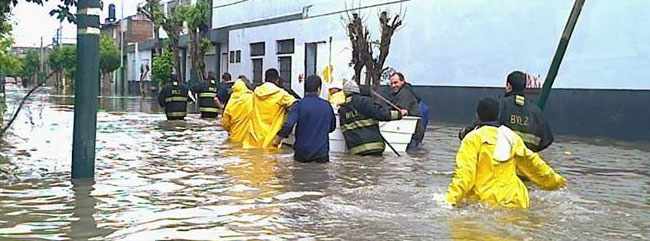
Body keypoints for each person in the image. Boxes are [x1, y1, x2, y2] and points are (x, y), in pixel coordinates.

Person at [445, 97, 566, 208]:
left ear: (477, 116)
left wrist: (449, 200)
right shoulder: (510, 136)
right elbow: (533, 164)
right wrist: (556, 182)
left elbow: (465, 175)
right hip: (516, 199)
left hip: (487, 202)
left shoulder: (472, 139)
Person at [459, 71, 553, 152]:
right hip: (526, 165)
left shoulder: (499, 106)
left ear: (508, 86)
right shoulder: (536, 112)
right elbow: (547, 139)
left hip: (501, 164)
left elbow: (479, 126)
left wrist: (463, 133)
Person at [273, 75, 336, 162]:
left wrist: (277, 140)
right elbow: (332, 127)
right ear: (319, 89)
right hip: (321, 154)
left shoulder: (298, 105)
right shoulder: (327, 105)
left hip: (302, 154)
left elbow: (288, 125)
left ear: (305, 89)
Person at [338, 80, 407, 155]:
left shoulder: (342, 109)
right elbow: (381, 114)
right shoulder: (364, 101)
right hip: (373, 146)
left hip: (355, 150)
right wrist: (399, 114)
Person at [242, 68, 297, 148]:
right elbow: (296, 104)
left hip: (253, 138)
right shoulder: (281, 94)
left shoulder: (256, 92)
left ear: (265, 79)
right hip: (271, 139)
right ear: (277, 80)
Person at [388, 72, 426, 150]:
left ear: (402, 81)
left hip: (411, 134)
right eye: (391, 83)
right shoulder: (399, 93)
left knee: (409, 158)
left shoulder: (405, 93)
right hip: (409, 133)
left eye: (396, 82)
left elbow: (402, 111)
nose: (393, 85)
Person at [222, 78, 253, 142]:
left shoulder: (231, 102)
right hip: (250, 140)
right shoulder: (252, 98)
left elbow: (225, 124)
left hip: (234, 138)